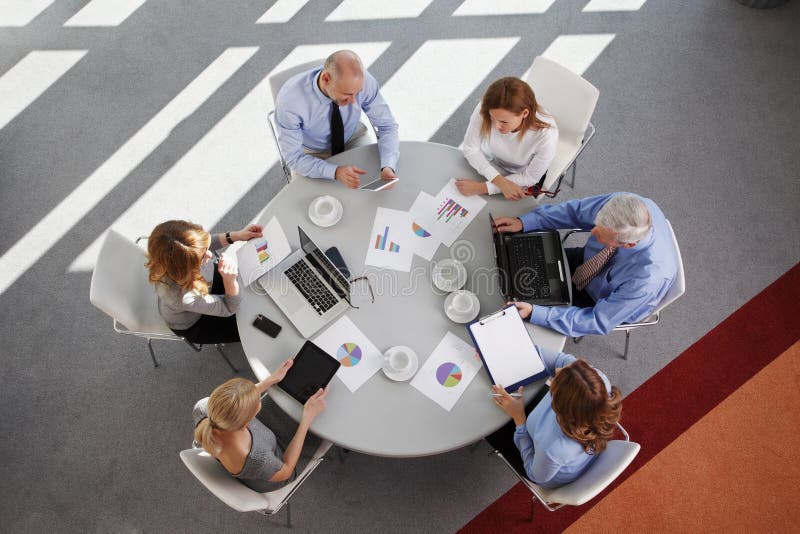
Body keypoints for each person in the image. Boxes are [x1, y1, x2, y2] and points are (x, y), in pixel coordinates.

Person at [494, 193, 678, 337]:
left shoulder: (646, 280)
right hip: (586, 261)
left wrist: (537, 313)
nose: (592, 231)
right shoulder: (624, 203)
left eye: (600, 236)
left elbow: (598, 320)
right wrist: (526, 222)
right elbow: (575, 212)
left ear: (628, 244)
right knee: (516, 259)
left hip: (601, 300)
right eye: (596, 225)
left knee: (514, 313)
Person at [488, 346, 622, 488]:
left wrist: (519, 418)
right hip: (553, 441)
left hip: (541, 465)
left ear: (559, 405)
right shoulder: (597, 381)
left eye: (557, 378)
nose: (557, 370)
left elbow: (534, 474)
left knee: (491, 424)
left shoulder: (553, 448)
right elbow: (561, 360)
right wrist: (508, 349)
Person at [275, 50, 400, 189]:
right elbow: (294, 157)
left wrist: (388, 165)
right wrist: (335, 172)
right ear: (326, 79)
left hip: (353, 138)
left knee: (371, 192)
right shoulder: (289, 103)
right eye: (347, 95)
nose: (354, 101)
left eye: (356, 94)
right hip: (312, 153)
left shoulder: (362, 82)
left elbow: (387, 126)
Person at [193, 366, 328, 492]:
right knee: (324, 421)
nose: (258, 396)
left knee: (289, 395)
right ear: (247, 420)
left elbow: (234, 403)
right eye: (257, 400)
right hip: (277, 464)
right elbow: (286, 471)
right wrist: (307, 419)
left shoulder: (204, 408)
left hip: (264, 439)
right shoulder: (257, 459)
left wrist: (270, 380)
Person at [145, 219, 263, 344]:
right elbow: (229, 308)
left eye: (205, 248)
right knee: (251, 329)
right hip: (197, 323)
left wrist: (236, 236)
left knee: (249, 293)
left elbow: (201, 245)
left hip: (202, 287)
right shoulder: (183, 296)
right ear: (187, 266)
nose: (210, 254)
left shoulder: (180, 256)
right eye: (202, 256)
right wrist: (230, 281)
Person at [456, 77, 558, 200]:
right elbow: (470, 148)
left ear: (524, 114)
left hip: (521, 177)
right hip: (492, 163)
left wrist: (482, 188)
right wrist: (500, 182)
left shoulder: (546, 136)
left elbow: (530, 178)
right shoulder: (487, 108)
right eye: (492, 118)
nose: (496, 126)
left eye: (504, 121)